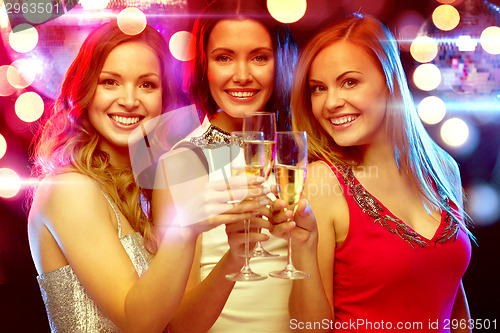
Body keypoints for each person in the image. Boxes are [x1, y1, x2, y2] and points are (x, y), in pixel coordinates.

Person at [26, 21, 264, 332]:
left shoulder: (145, 189)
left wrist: (234, 258)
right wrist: (186, 227)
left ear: (164, 99)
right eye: (110, 82)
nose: (128, 99)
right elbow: (138, 321)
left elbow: (178, 326)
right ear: (83, 89)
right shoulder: (69, 189)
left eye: (147, 85)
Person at [272, 14, 473, 332]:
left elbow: (453, 303)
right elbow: (307, 327)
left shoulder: (443, 169)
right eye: (318, 89)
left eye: (349, 82)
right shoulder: (323, 182)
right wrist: (302, 249)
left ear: (390, 79)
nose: (332, 102)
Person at [152, 0, 298, 332]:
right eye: (224, 58)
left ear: (282, 62)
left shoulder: (300, 153)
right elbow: (180, 324)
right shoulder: (182, 164)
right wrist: (237, 254)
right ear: (204, 65)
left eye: (260, 57)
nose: (242, 76)